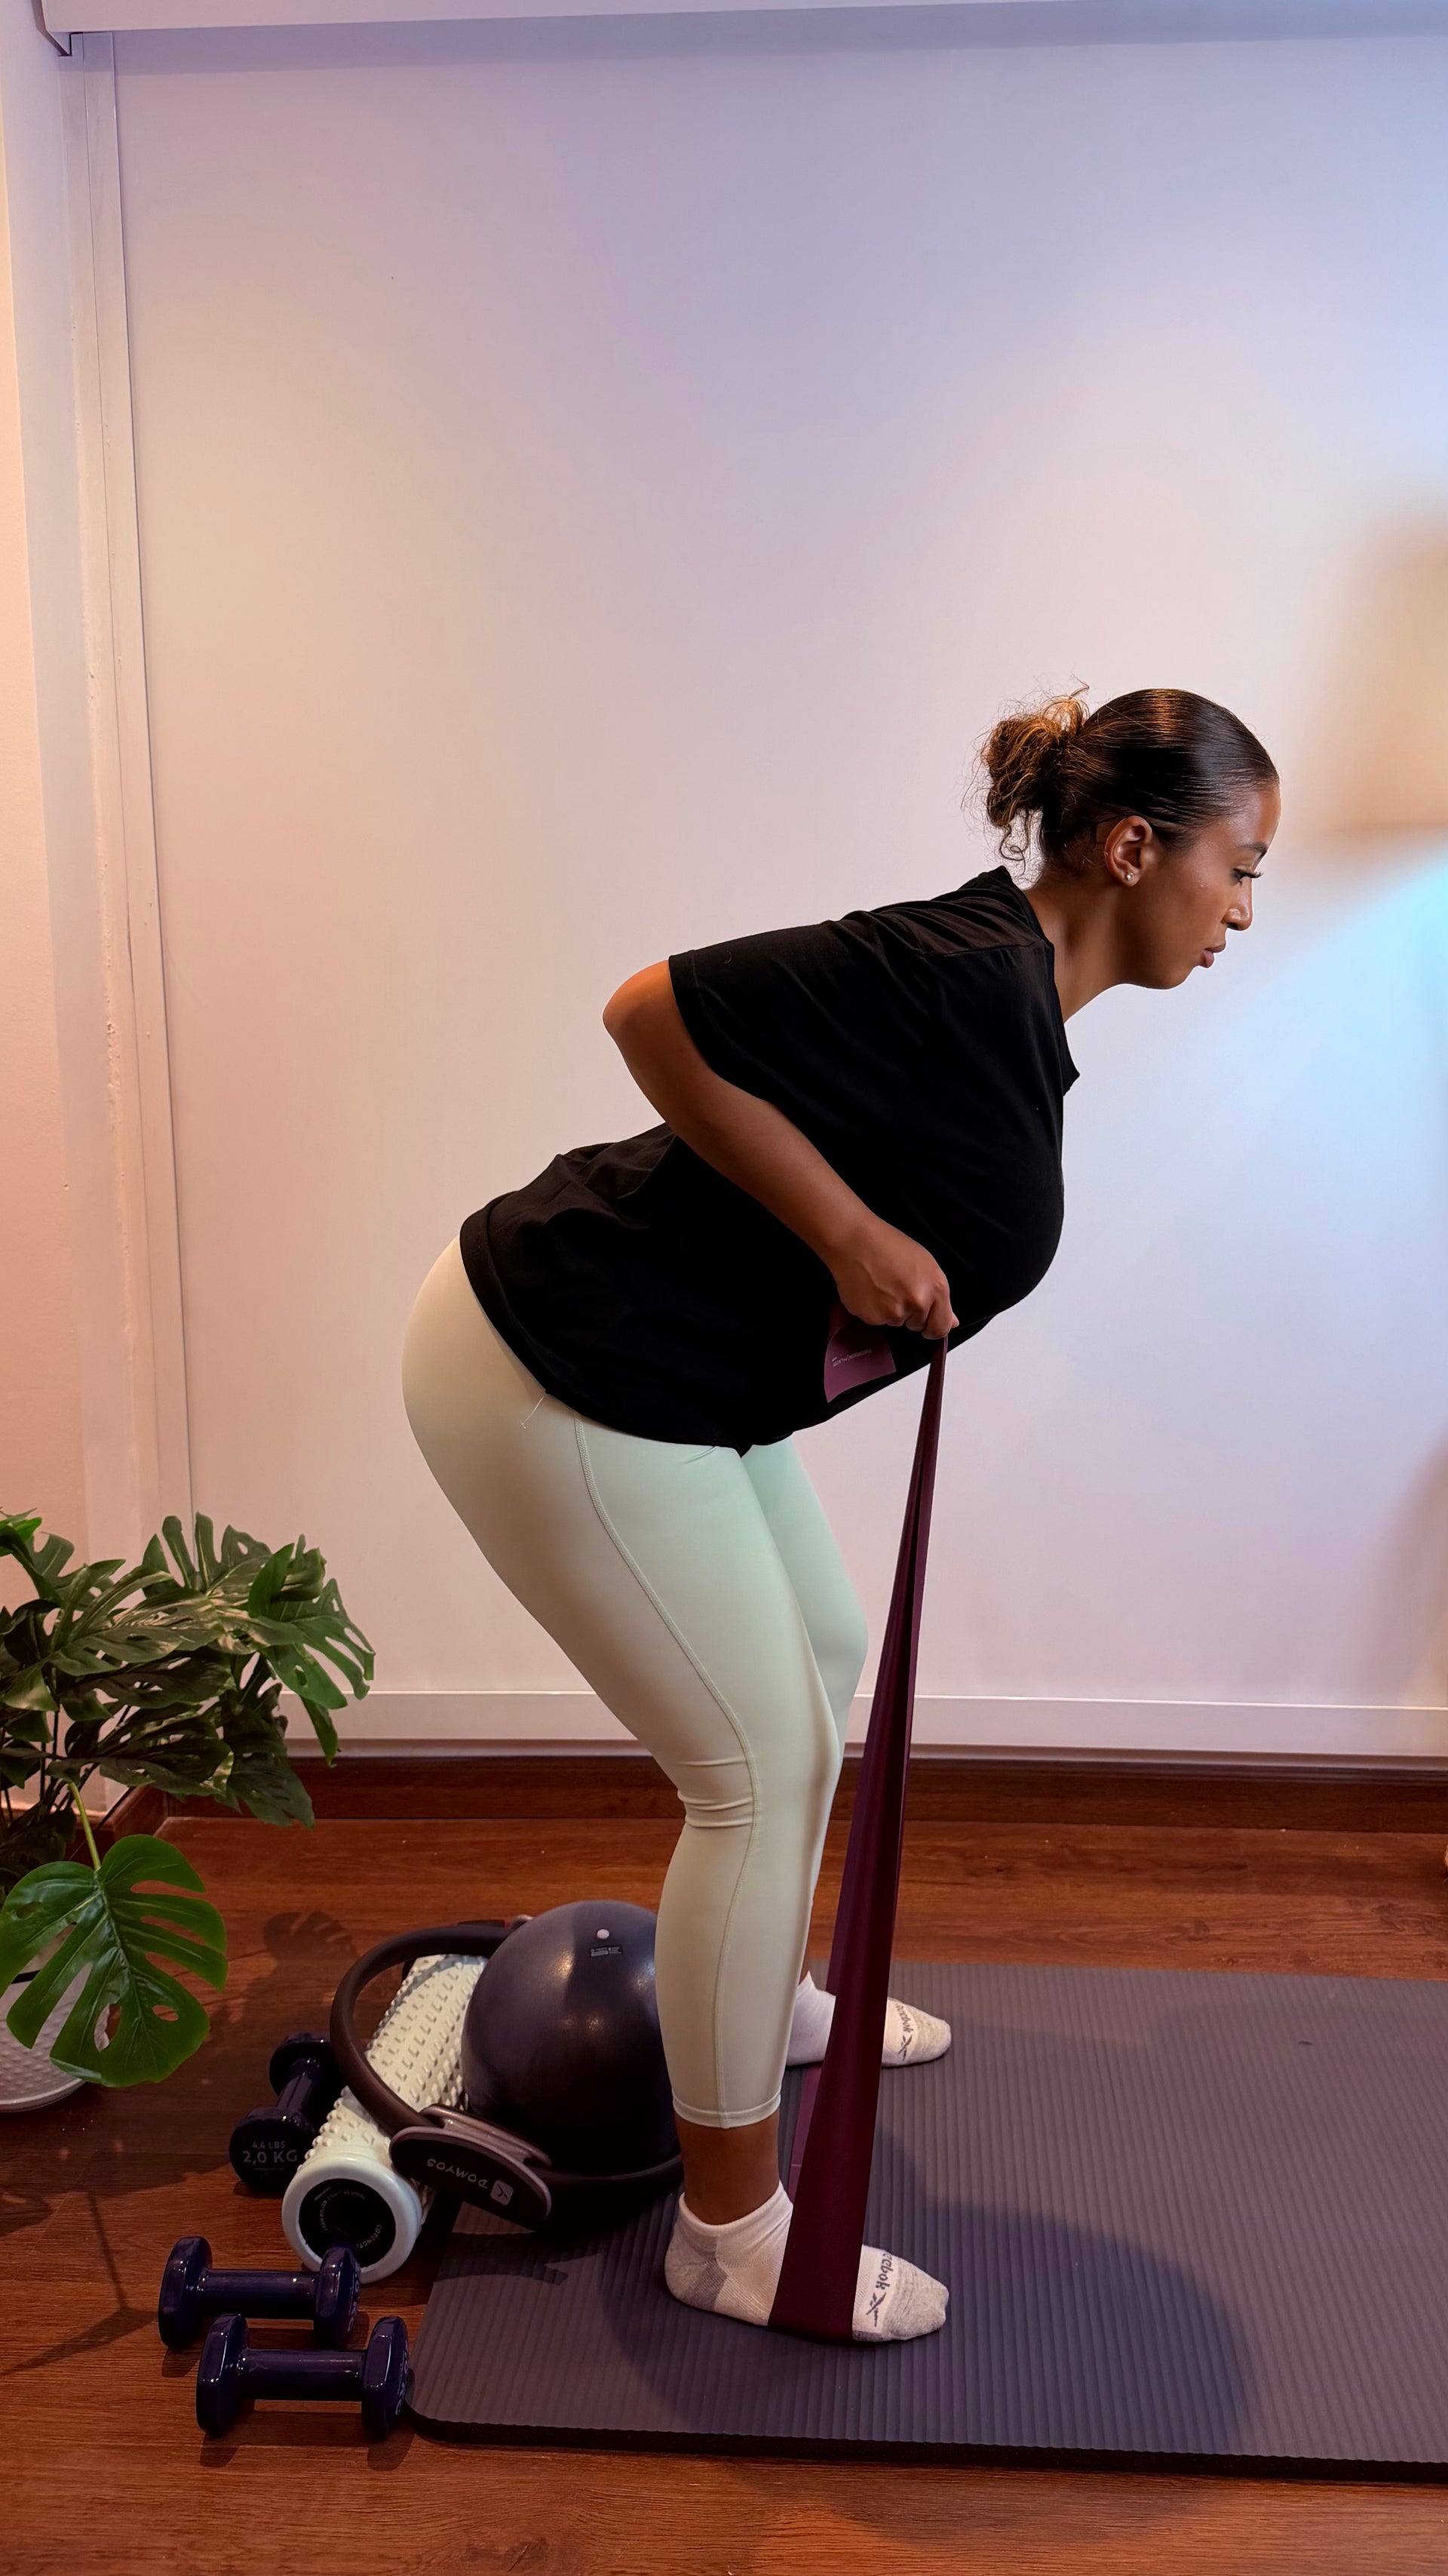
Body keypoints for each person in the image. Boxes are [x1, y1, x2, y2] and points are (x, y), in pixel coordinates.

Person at [402, 686, 1280, 2342]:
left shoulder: (1015, 1012)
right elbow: (648, 1013)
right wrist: (847, 1233)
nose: (1244, 910)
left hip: (676, 1383)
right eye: (1239, 867)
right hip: (552, 1360)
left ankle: (772, 2008)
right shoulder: (958, 966)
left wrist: (850, 1234)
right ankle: (729, 2235)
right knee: (762, 1769)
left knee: (817, 1654)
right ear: (1131, 846)